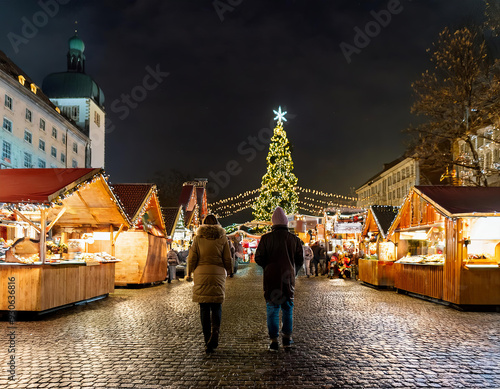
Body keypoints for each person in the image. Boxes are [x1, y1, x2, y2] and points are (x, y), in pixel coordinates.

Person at [255, 206, 304, 352]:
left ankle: (274, 341)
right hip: (288, 278)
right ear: (286, 223)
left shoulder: (266, 238)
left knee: (272, 308)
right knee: (288, 308)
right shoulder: (294, 239)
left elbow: (258, 258)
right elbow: (300, 259)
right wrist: (293, 271)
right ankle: (287, 339)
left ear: (273, 223)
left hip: (271, 279)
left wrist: (268, 267)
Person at [187, 214, 233, 353]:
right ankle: (215, 333)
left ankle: (207, 339)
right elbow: (227, 257)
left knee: (204, 308)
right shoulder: (222, 238)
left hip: (201, 274)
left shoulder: (198, 238)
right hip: (218, 274)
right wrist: (230, 271)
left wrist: (189, 273)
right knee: (216, 305)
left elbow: (192, 257)